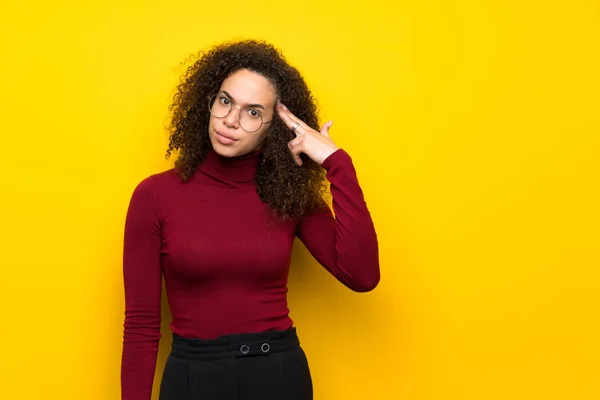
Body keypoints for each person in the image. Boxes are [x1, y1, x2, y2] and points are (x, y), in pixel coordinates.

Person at [120, 39, 380, 400]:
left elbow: (362, 275)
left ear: (275, 126)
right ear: (207, 101)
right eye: (225, 101)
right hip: (194, 378)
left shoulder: (288, 194)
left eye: (253, 112)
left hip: (278, 374)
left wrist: (337, 163)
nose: (230, 120)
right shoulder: (154, 196)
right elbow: (142, 326)